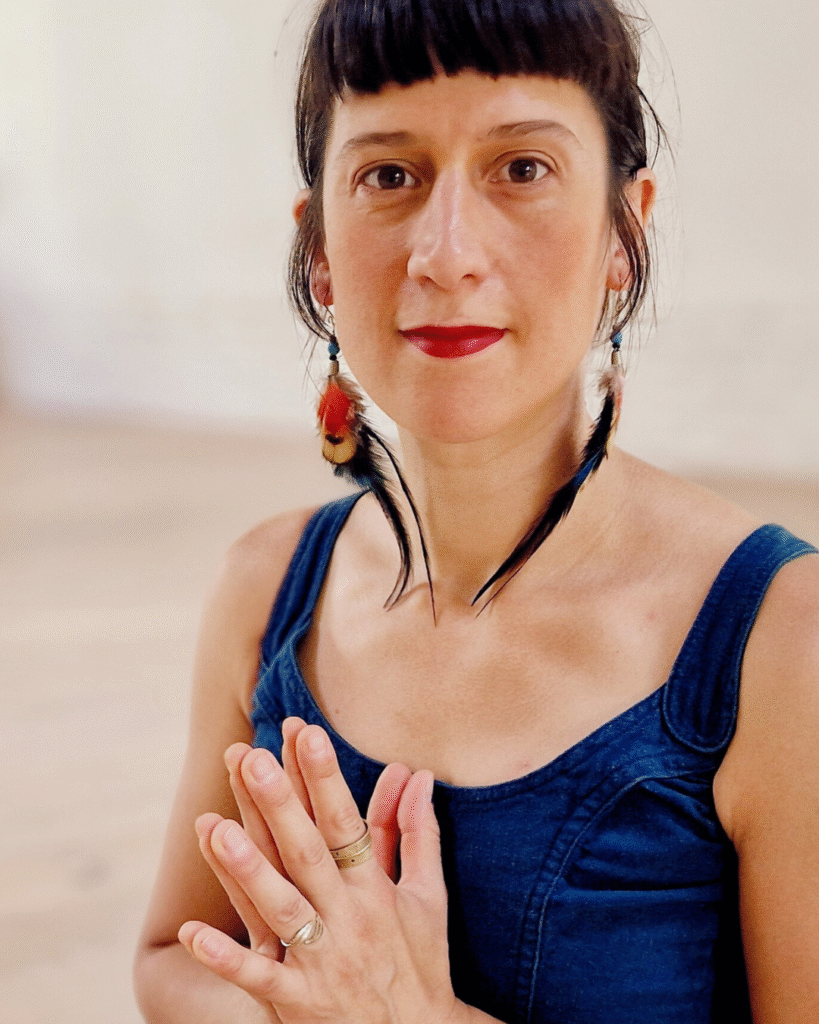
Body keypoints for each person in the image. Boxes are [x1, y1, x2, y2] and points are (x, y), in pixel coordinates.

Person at [133, 0, 819, 1021]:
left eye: (523, 168)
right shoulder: (265, 587)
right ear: (319, 250)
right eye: (389, 176)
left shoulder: (782, 637)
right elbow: (168, 960)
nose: (446, 253)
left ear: (624, 230)